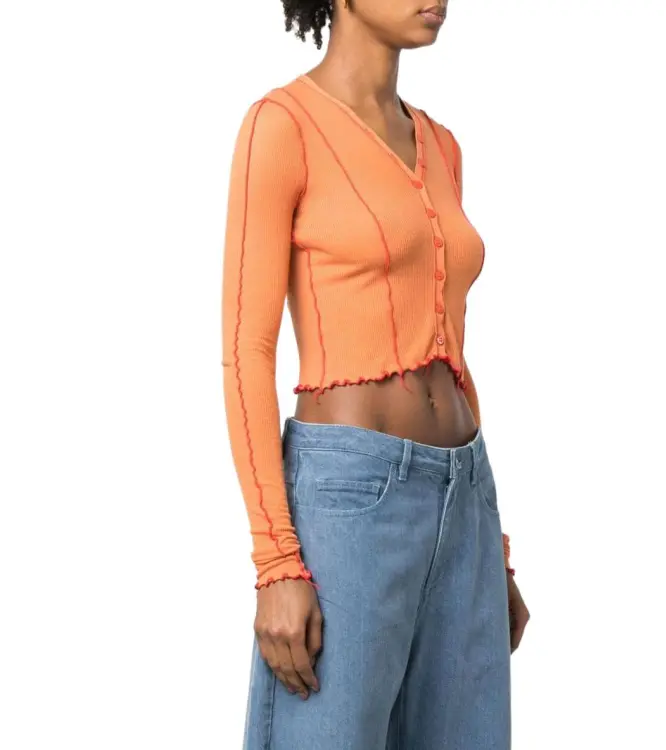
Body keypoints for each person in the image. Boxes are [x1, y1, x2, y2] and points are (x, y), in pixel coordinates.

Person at [220, 1, 530, 747]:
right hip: (351, 500)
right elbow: (246, 350)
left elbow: (451, 347)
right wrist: (276, 562)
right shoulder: (282, 125)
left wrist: (491, 546)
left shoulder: (442, 145)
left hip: (465, 494)